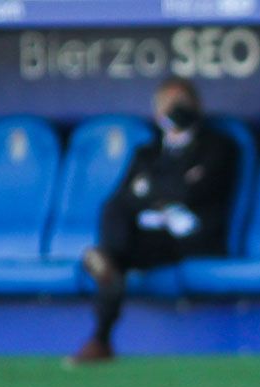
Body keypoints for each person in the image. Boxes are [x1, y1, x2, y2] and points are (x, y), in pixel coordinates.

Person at [69, 76, 238, 364]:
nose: (175, 110)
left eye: (181, 103)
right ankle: (109, 264)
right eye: (168, 105)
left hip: (191, 236)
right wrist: (157, 195)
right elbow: (124, 198)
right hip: (148, 236)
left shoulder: (219, 146)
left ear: (196, 106)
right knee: (114, 212)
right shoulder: (147, 152)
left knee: (118, 256)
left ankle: (103, 312)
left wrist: (151, 192)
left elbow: (192, 192)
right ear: (157, 112)